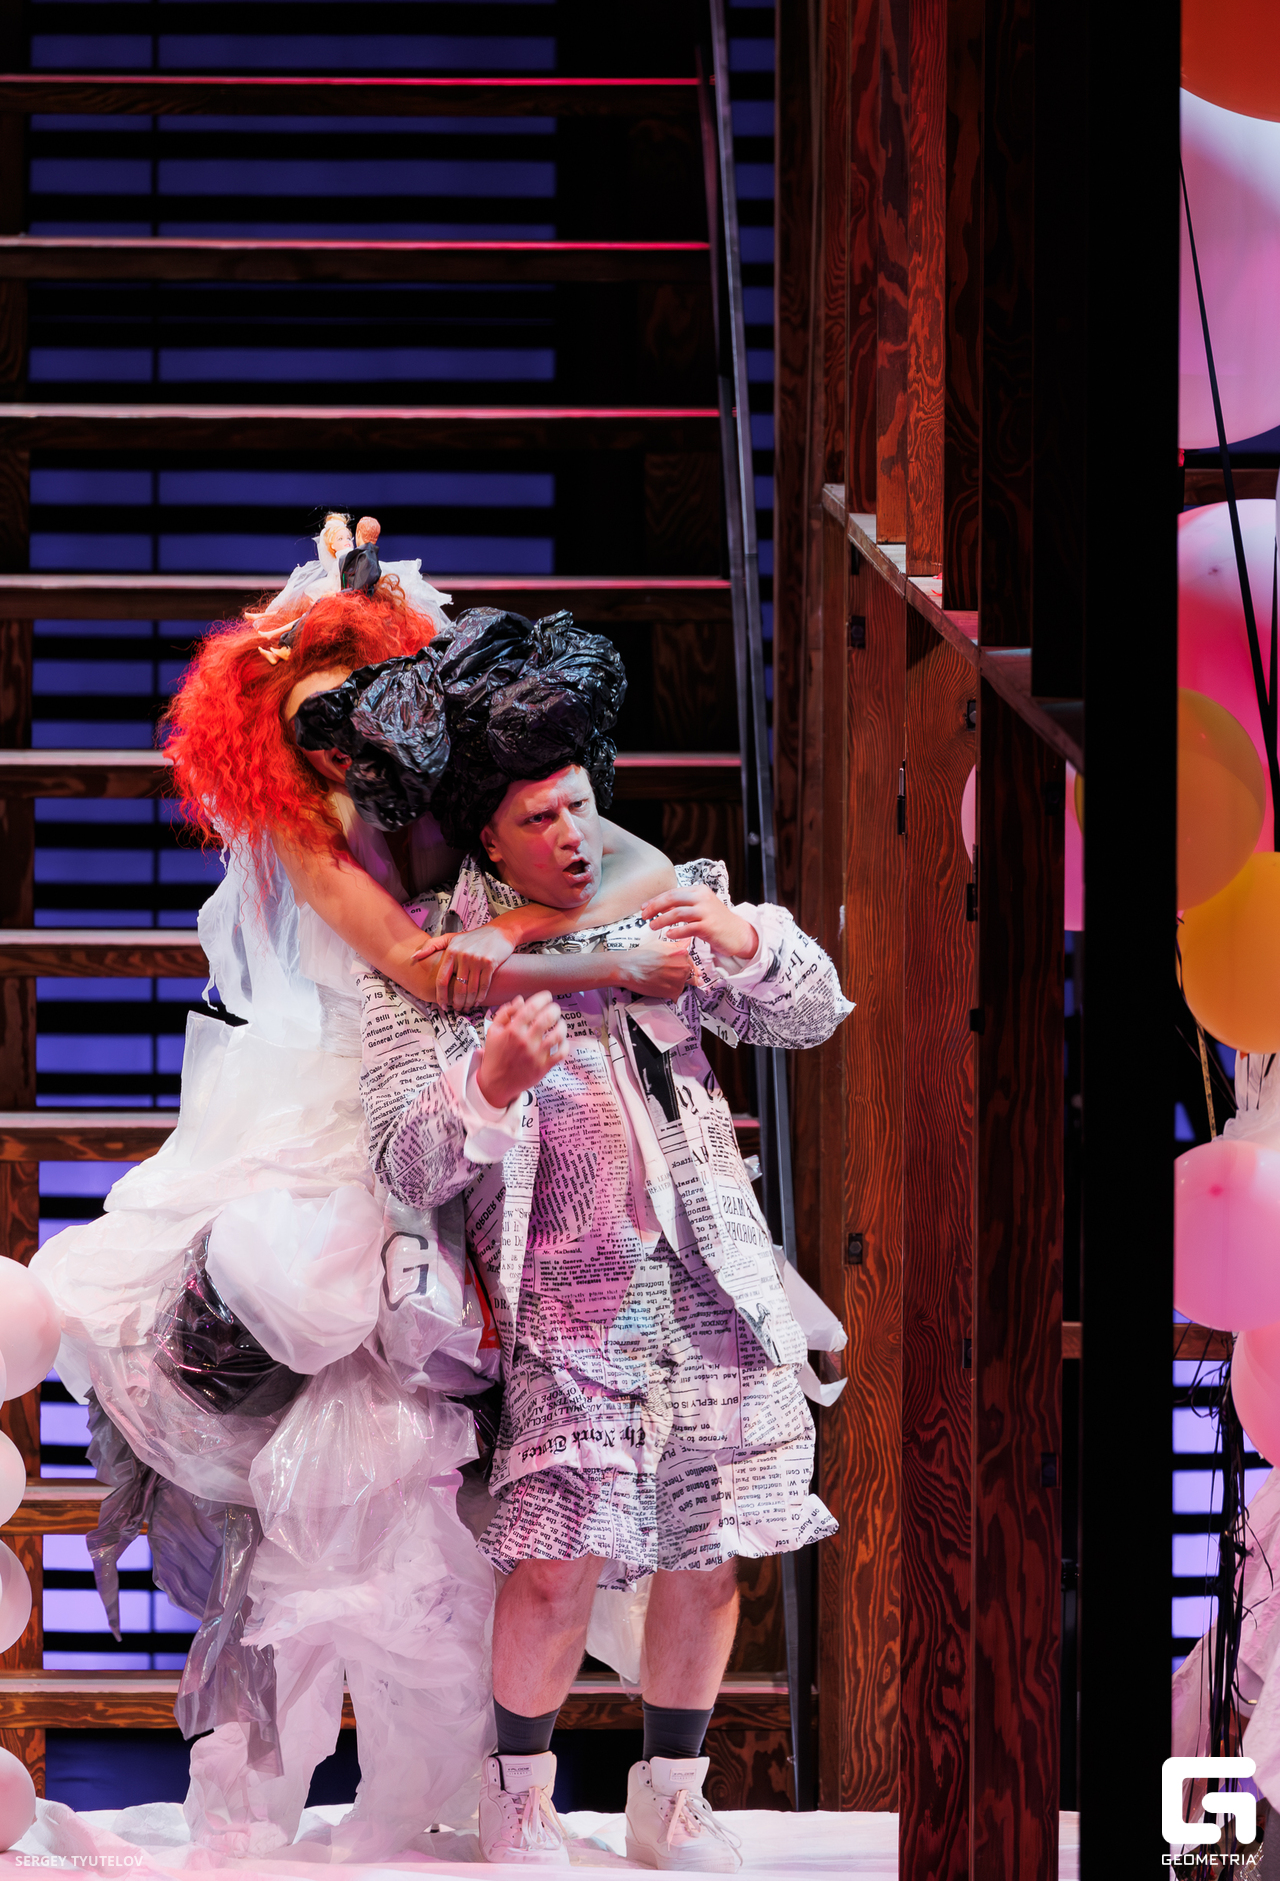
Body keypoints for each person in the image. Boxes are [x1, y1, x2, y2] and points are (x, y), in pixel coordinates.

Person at [31, 524, 686, 1861]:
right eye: (310, 724)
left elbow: (618, 873)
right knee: (308, 1487)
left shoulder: (448, 798)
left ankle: (451, 1790)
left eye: (358, 713)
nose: (338, 747)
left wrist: (540, 926)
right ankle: (253, 1803)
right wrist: (586, 948)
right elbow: (427, 968)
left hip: (462, 1114)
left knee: (435, 1495)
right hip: (332, 1131)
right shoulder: (302, 831)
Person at [340, 610, 853, 1870]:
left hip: (709, 1275)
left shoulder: (658, 894)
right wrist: (488, 1086)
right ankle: (519, 1800)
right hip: (566, 1295)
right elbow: (403, 1159)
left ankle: (668, 1796)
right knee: (555, 1558)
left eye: (578, 805)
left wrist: (735, 935)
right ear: (486, 833)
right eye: (539, 818)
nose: (572, 834)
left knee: (710, 1547)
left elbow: (812, 1009)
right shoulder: (436, 957)